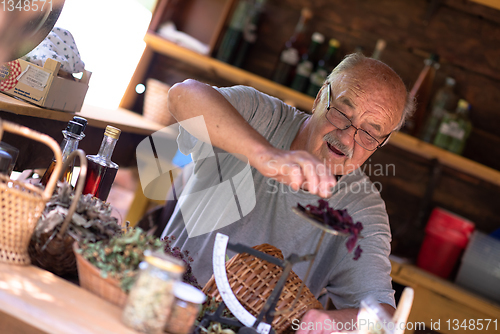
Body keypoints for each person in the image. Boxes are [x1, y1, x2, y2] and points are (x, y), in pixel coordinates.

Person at [160, 52, 414, 333]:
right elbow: (182, 94)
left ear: (383, 141)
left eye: (369, 133)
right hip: (158, 299)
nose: (346, 137)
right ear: (320, 97)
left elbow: (384, 317)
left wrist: (329, 321)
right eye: (342, 112)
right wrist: (265, 155)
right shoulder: (261, 116)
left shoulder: (362, 210)